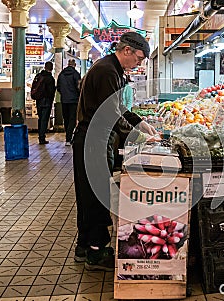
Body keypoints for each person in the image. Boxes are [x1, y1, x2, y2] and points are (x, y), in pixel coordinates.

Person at [73, 31, 158, 271]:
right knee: (96, 196)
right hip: (93, 139)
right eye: (139, 59)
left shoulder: (114, 70)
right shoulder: (107, 71)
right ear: (127, 50)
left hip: (96, 138)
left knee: (88, 194)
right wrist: (141, 137)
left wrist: (141, 122)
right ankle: (96, 252)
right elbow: (111, 114)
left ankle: (84, 245)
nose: (138, 64)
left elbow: (120, 108)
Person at [57, 59, 81, 146]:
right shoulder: (75, 74)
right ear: (74, 65)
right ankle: (68, 138)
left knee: (66, 119)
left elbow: (58, 87)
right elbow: (79, 87)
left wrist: (64, 94)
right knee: (72, 119)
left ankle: (68, 137)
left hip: (64, 100)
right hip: (73, 100)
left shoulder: (61, 74)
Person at [36, 61, 56, 144]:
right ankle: (42, 137)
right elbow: (51, 91)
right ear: (51, 68)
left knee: (40, 119)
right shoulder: (50, 78)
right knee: (44, 120)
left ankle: (40, 135)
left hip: (39, 100)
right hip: (46, 101)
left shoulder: (38, 76)